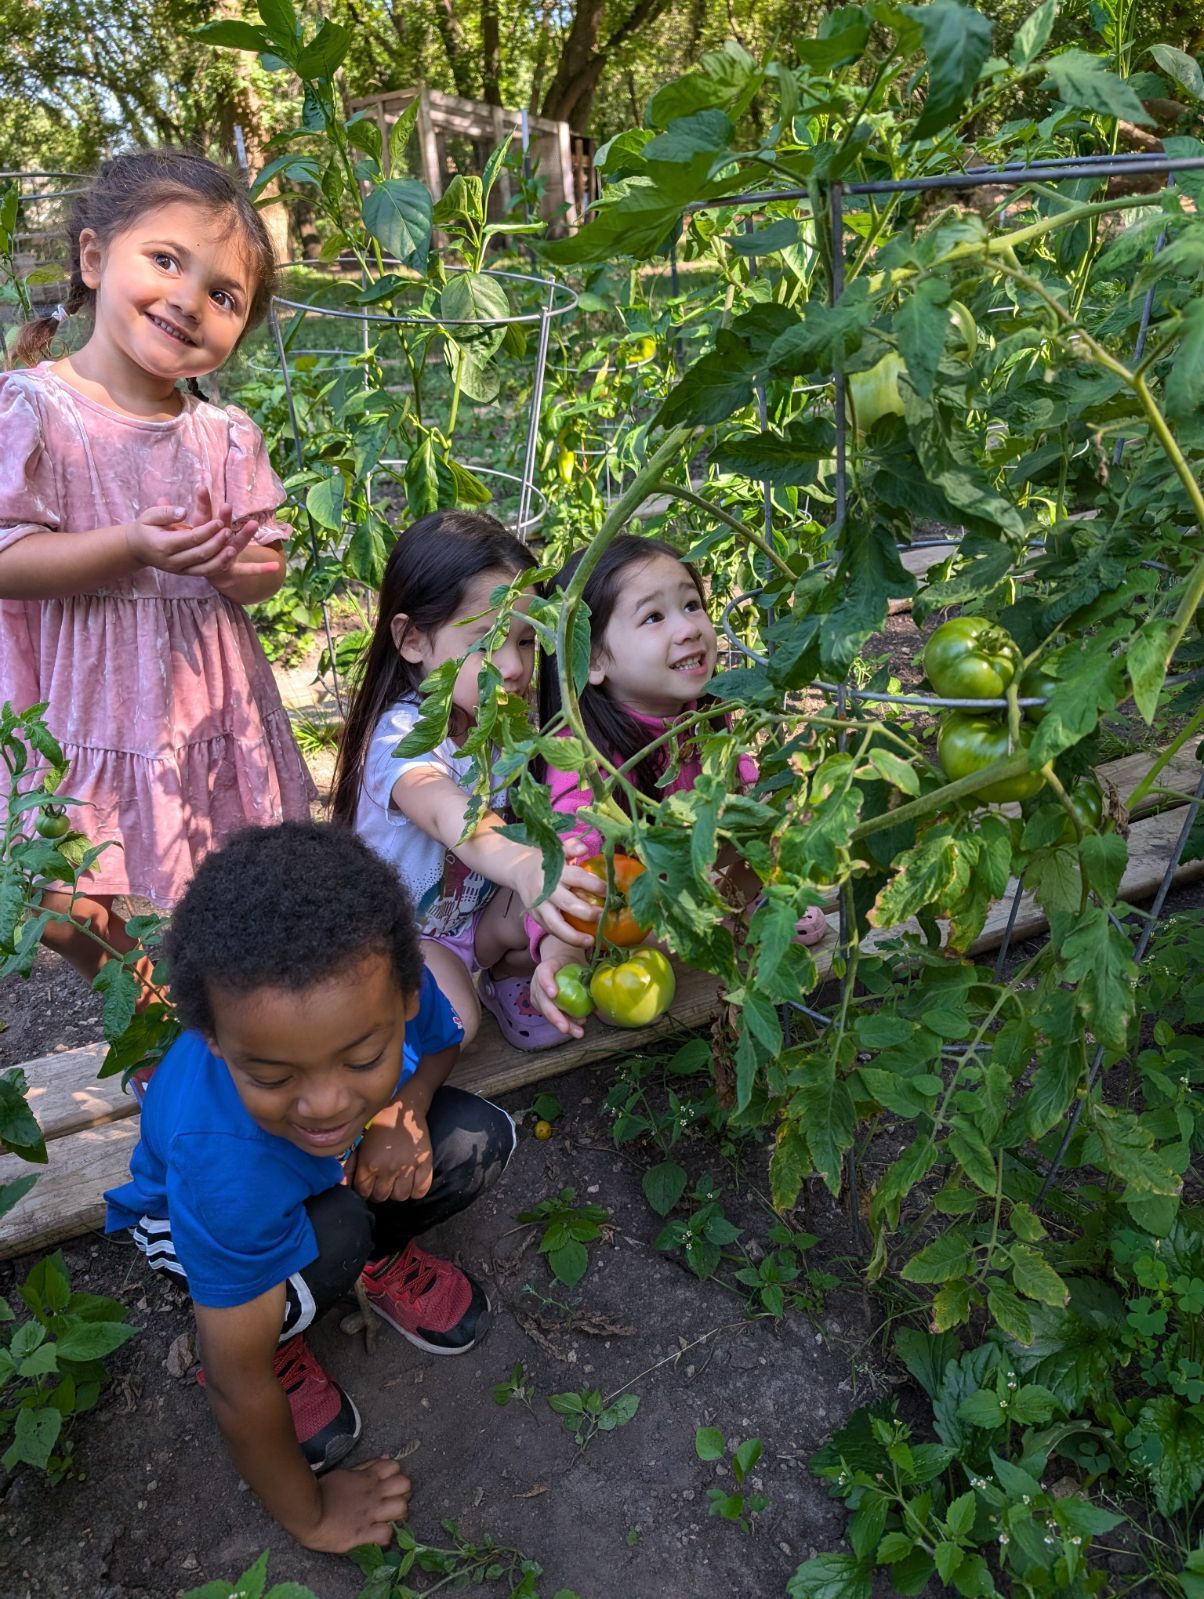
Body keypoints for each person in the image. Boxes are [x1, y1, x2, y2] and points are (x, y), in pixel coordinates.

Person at [105, 822, 514, 1553]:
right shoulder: (219, 1162)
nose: (326, 1103)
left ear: (402, 994)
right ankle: (281, 1334)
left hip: (325, 1170)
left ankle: (377, 1262)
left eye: (364, 1054)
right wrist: (314, 1515)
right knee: (334, 1238)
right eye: (271, 1074)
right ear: (213, 1042)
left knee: (473, 1140)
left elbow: (444, 1037)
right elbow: (235, 1382)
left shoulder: (391, 984)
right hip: (198, 1221)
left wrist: (403, 1109)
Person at [0, 149, 313, 993]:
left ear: (236, 335)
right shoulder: (34, 407)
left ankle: (213, 1020)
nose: (186, 299)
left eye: (223, 296)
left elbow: (267, 564)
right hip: (74, 703)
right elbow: (7, 558)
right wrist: (130, 545)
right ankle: (141, 994)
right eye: (166, 260)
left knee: (220, 878)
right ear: (95, 259)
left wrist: (231, 566)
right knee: (61, 900)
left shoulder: (224, 434)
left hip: (198, 702)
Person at [528, 534, 829, 1037]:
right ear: (592, 661)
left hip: (690, 883)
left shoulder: (709, 714)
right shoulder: (578, 749)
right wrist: (560, 950)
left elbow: (741, 805)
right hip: (621, 912)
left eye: (691, 605)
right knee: (612, 926)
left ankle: (744, 907)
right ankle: (712, 925)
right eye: (654, 617)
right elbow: (565, 864)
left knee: (767, 832)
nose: (689, 628)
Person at [330, 509, 602, 1050]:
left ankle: (513, 979)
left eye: (525, 641)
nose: (516, 666)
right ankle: (395, 1112)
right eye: (486, 643)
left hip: (476, 919)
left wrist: (557, 936)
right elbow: (443, 808)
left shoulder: (508, 724)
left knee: (575, 896)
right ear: (412, 640)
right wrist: (524, 861)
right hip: (402, 938)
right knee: (454, 1025)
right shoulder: (402, 738)